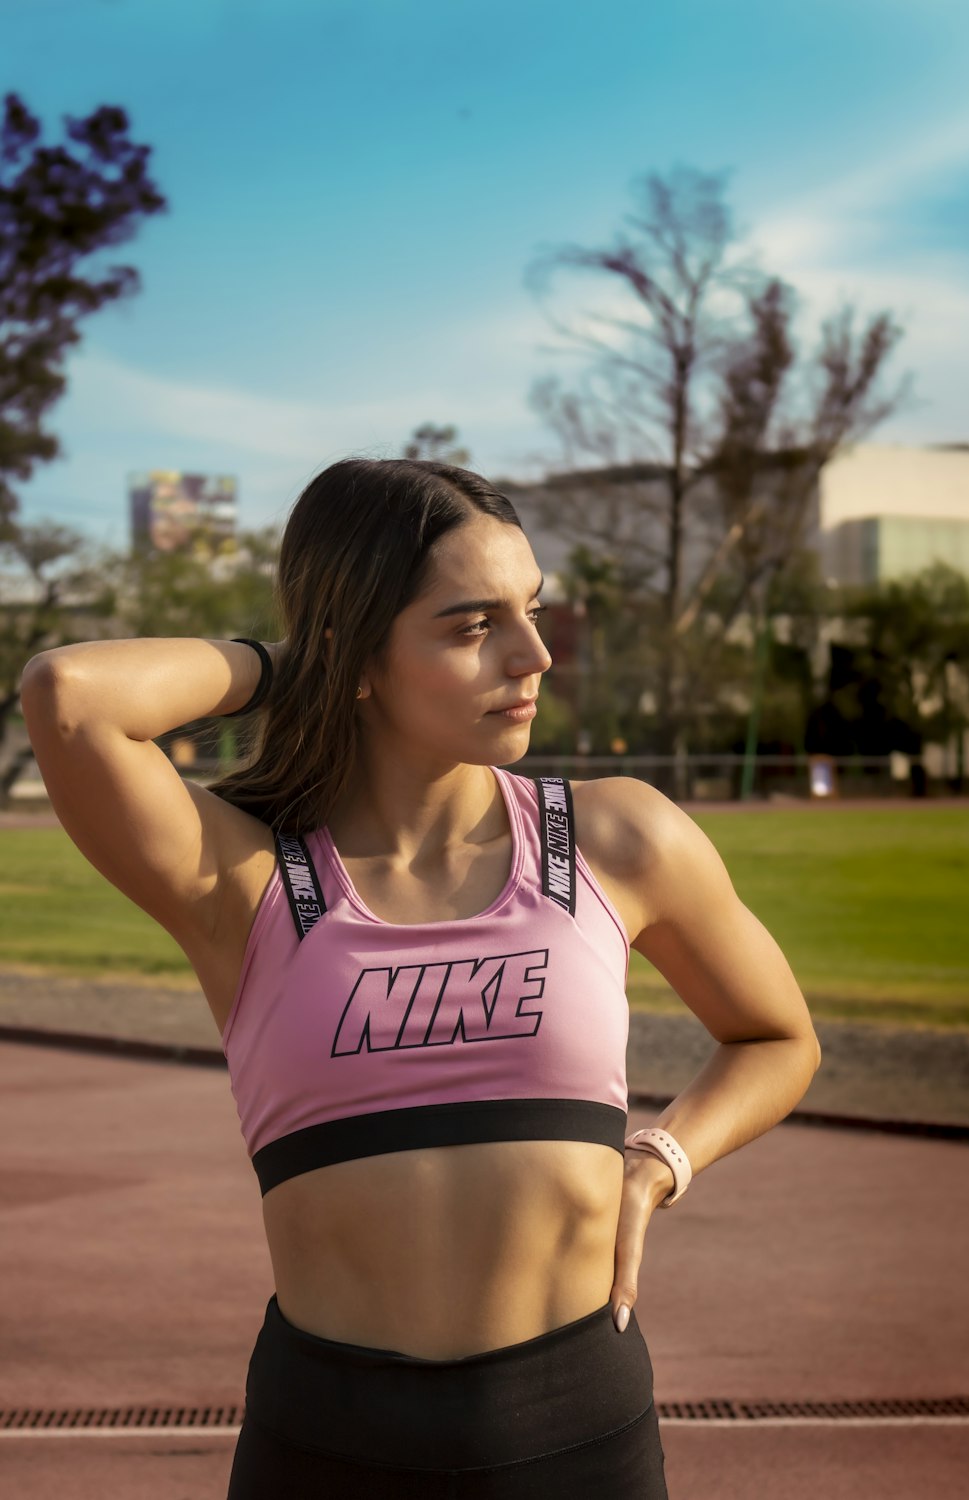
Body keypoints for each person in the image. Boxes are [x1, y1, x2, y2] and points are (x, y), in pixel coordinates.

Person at [21, 457, 822, 1498]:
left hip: (575, 1426)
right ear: (359, 652)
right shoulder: (245, 879)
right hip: (327, 1439)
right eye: (471, 624)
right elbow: (68, 696)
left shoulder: (618, 838)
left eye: (532, 609)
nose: (533, 654)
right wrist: (300, 656)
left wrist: (661, 1157)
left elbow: (776, 1036)